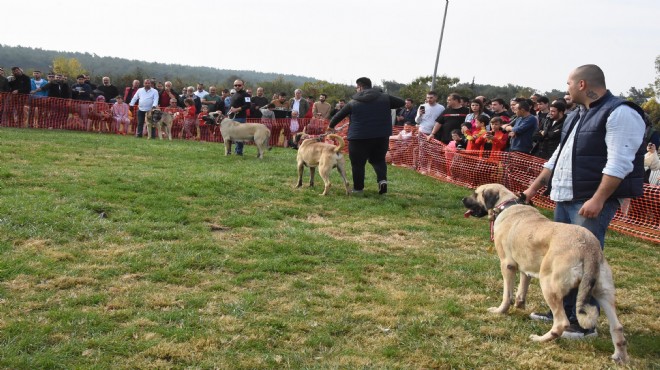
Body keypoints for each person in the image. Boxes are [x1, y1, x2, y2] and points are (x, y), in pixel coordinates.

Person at [522, 64, 646, 338]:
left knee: (583, 262)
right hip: (565, 197)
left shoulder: (620, 113)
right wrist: (532, 189)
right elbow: (558, 156)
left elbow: (619, 163)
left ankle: (585, 323)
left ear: (581, 85)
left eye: (568, 84)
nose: (565, 89)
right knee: (561, 261)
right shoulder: (577, 114)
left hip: (588, 201)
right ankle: (562, 314)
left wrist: (598, 199)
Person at [328, 77, 405, 195]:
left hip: (358, 137)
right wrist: (382, 96)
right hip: (381, 136)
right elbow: (402, 102)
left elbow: (338, 116)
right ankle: (382, 180)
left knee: (358, 163)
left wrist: (331, 127)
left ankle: (358, 189)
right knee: (379, 160)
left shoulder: (353, 102)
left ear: (359, 87)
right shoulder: (384, 98)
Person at [227, 79, 251, 155]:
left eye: (239, 85)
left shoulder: (246, 95)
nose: (237, 87)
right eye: (235, 85)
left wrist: (237, 109)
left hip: (240, 117)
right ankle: (229, 151)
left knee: (239, 135)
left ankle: (239, 152)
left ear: (243, 85)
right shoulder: (234, 94)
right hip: (231, 117)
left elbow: (248, 105)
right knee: (231, 135)